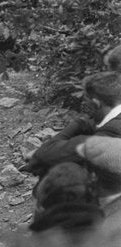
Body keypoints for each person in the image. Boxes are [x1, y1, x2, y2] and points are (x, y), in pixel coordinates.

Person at [22, 70, 121, 202]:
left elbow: (46, 153)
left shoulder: (109, 132)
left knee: (59, 175)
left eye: (86, 101)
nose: (83, 106)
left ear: (97, 103)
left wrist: (80, 122)